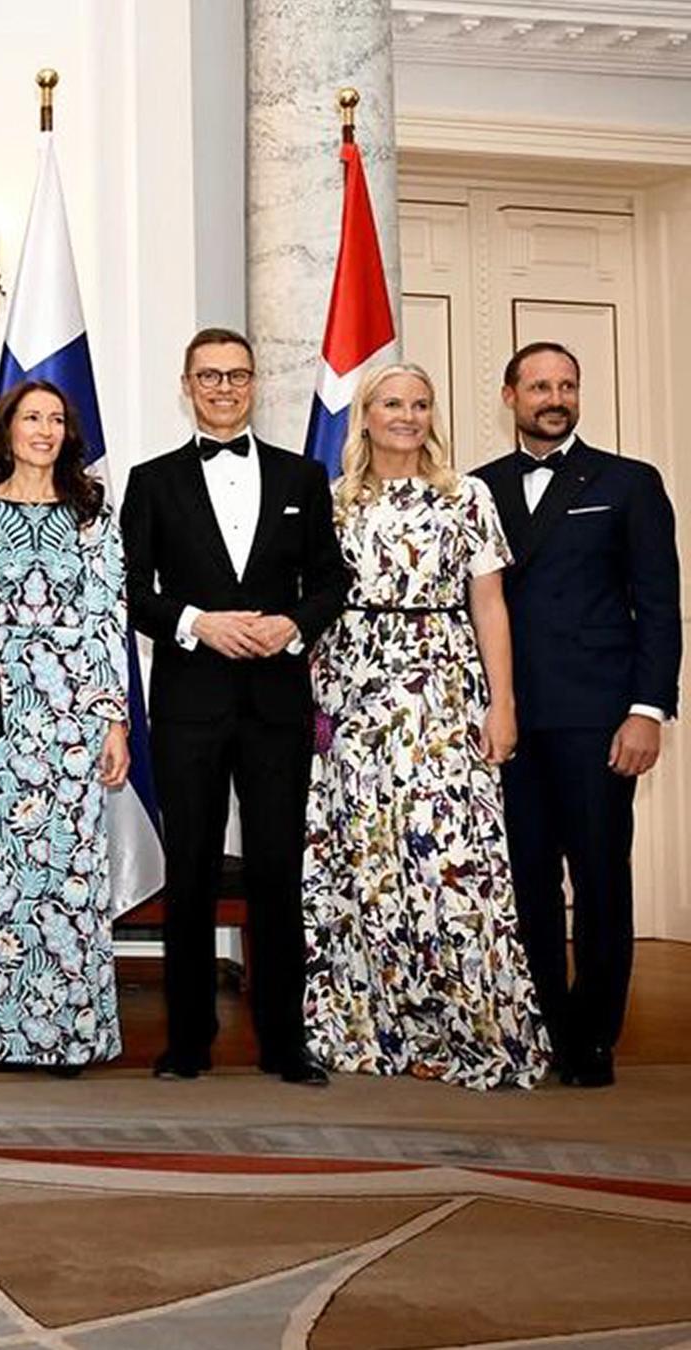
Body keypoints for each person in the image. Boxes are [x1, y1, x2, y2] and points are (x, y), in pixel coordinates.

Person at [302, 363, 549, 1090]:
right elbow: (315, 610)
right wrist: (316, 705)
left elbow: (490, 606)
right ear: (366, 416)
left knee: (453, 863)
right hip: (356, 700)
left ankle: (469, 1026)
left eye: (419, 403)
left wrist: (501, 703)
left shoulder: (467, 497)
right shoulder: (335, 502)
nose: (407, 415)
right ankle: (376, 1025)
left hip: (443, 691)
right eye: (391, 403)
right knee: (370, 861)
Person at [121, 328, 344, 1087]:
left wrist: (292, 627)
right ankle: (188, 1042)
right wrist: (197, 623)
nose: (223, 388)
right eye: (209, 376)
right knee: (191, 873)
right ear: (186, 385)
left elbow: (329, 582)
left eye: (237, 375)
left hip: (278, 706)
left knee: (280, 872)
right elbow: (133, 590)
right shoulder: (151, 482)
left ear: (255, 385)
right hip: (189, 705)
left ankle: (286, 1043)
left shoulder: (304, 477)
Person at [475, 343, 679, 1089]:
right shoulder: (476, 488)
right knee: (523, 877)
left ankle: (593, 1036)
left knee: (597, 876)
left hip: (598, 715)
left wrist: (647, 709)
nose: (553, 397)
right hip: (508, 717)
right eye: (538, 386)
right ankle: (543, 1026)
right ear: (510, 396)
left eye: (566, 385)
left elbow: (659, 607)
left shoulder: (629, 483)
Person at [0, 381, 129, 1075]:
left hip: (73, 719)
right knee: (2, 874)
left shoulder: (93, 512)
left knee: (72, 875)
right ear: (6, 428)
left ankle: (74, 1035)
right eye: (31, 417)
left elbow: (108, 618)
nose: (44, 429)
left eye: (56, 419)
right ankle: (5, 1033)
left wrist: (114, 721)